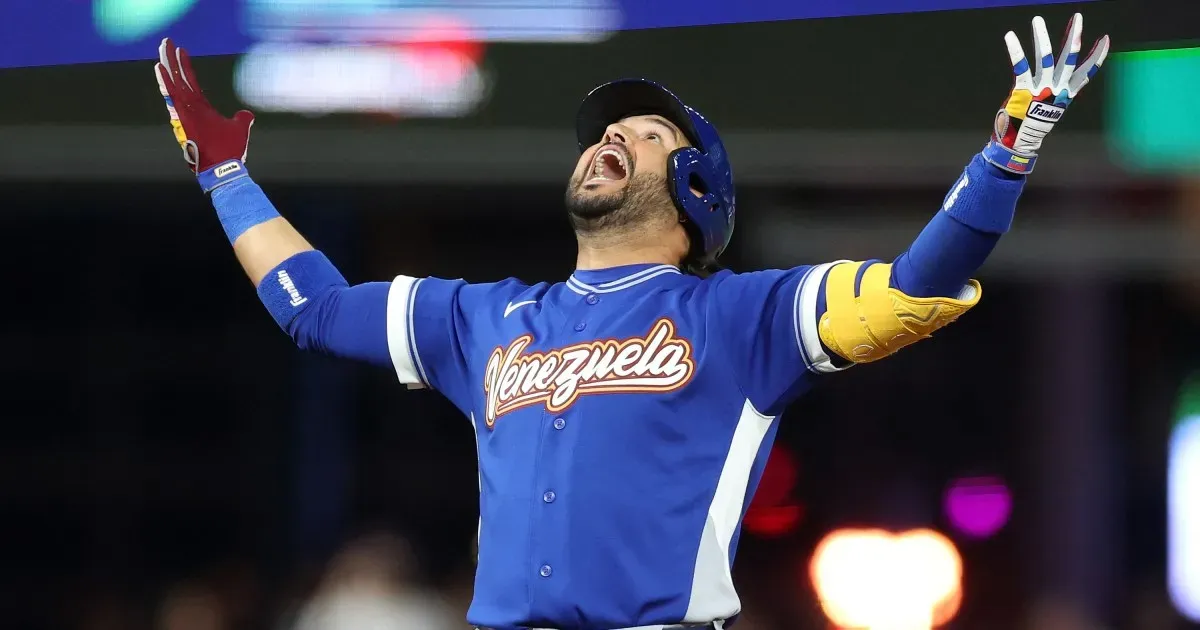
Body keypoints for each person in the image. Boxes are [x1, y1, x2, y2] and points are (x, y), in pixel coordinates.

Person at [152, 13, 1108, 630]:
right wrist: (225, 178)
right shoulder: (484, 318)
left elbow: (909, 291)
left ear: (694, 189)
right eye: (607, 132)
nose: (610, 138)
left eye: (646, 137)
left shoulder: (743, 316)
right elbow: (313, 310)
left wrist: (1004, 157)